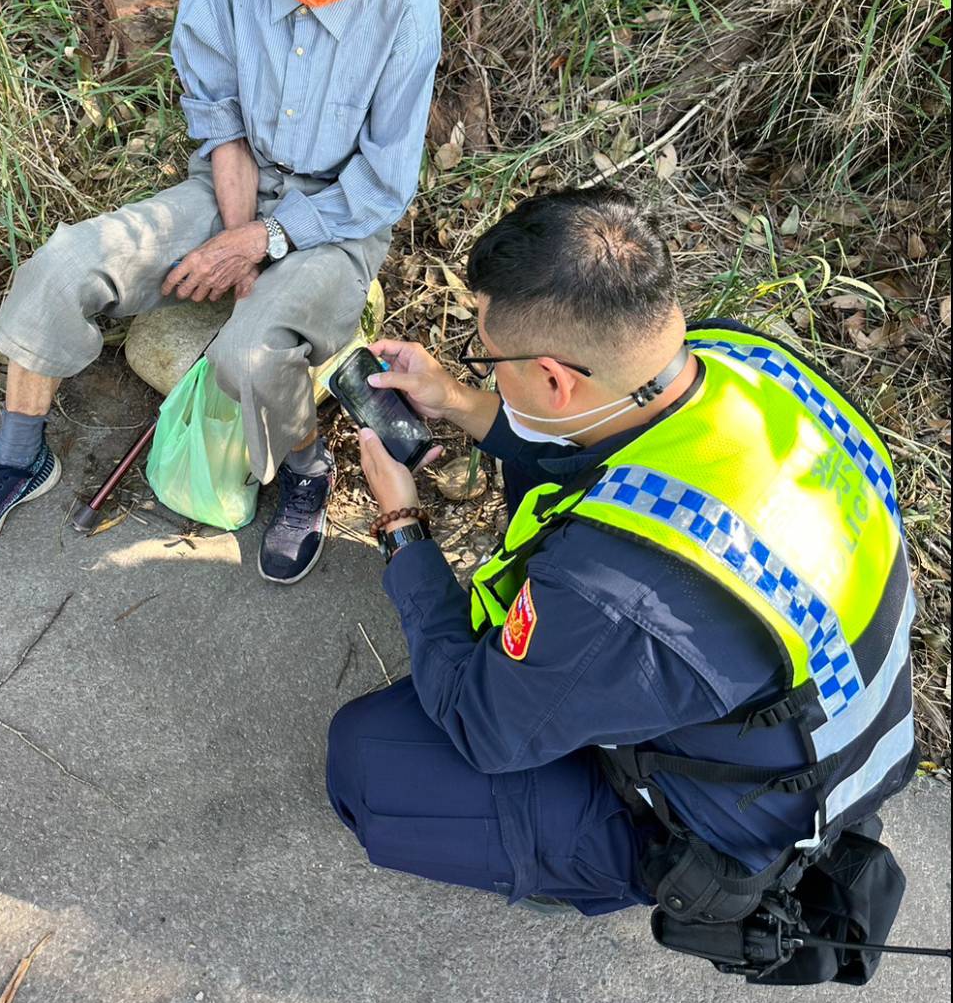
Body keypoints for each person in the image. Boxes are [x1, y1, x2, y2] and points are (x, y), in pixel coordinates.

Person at [327, 186, 915, 931]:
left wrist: (402, 524)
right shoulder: (744, 361)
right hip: (824, 729)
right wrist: (454, 398)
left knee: (366, 759)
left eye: (487, 357)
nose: (483, 370)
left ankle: (600, 866)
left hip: (736, 822)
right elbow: (606, 440)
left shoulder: (613, 596)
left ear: (554, 377)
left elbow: (482, 724)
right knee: (546, 471)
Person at [0, 0, 441, 583]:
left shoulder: (405, 4)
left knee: (254, 353)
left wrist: (264, 245)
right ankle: (17, 457)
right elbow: (221, 127)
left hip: (340, 219)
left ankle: (305, 470)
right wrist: (237, 242)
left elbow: (381, 182)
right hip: (230, 183)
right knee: (65, 264)